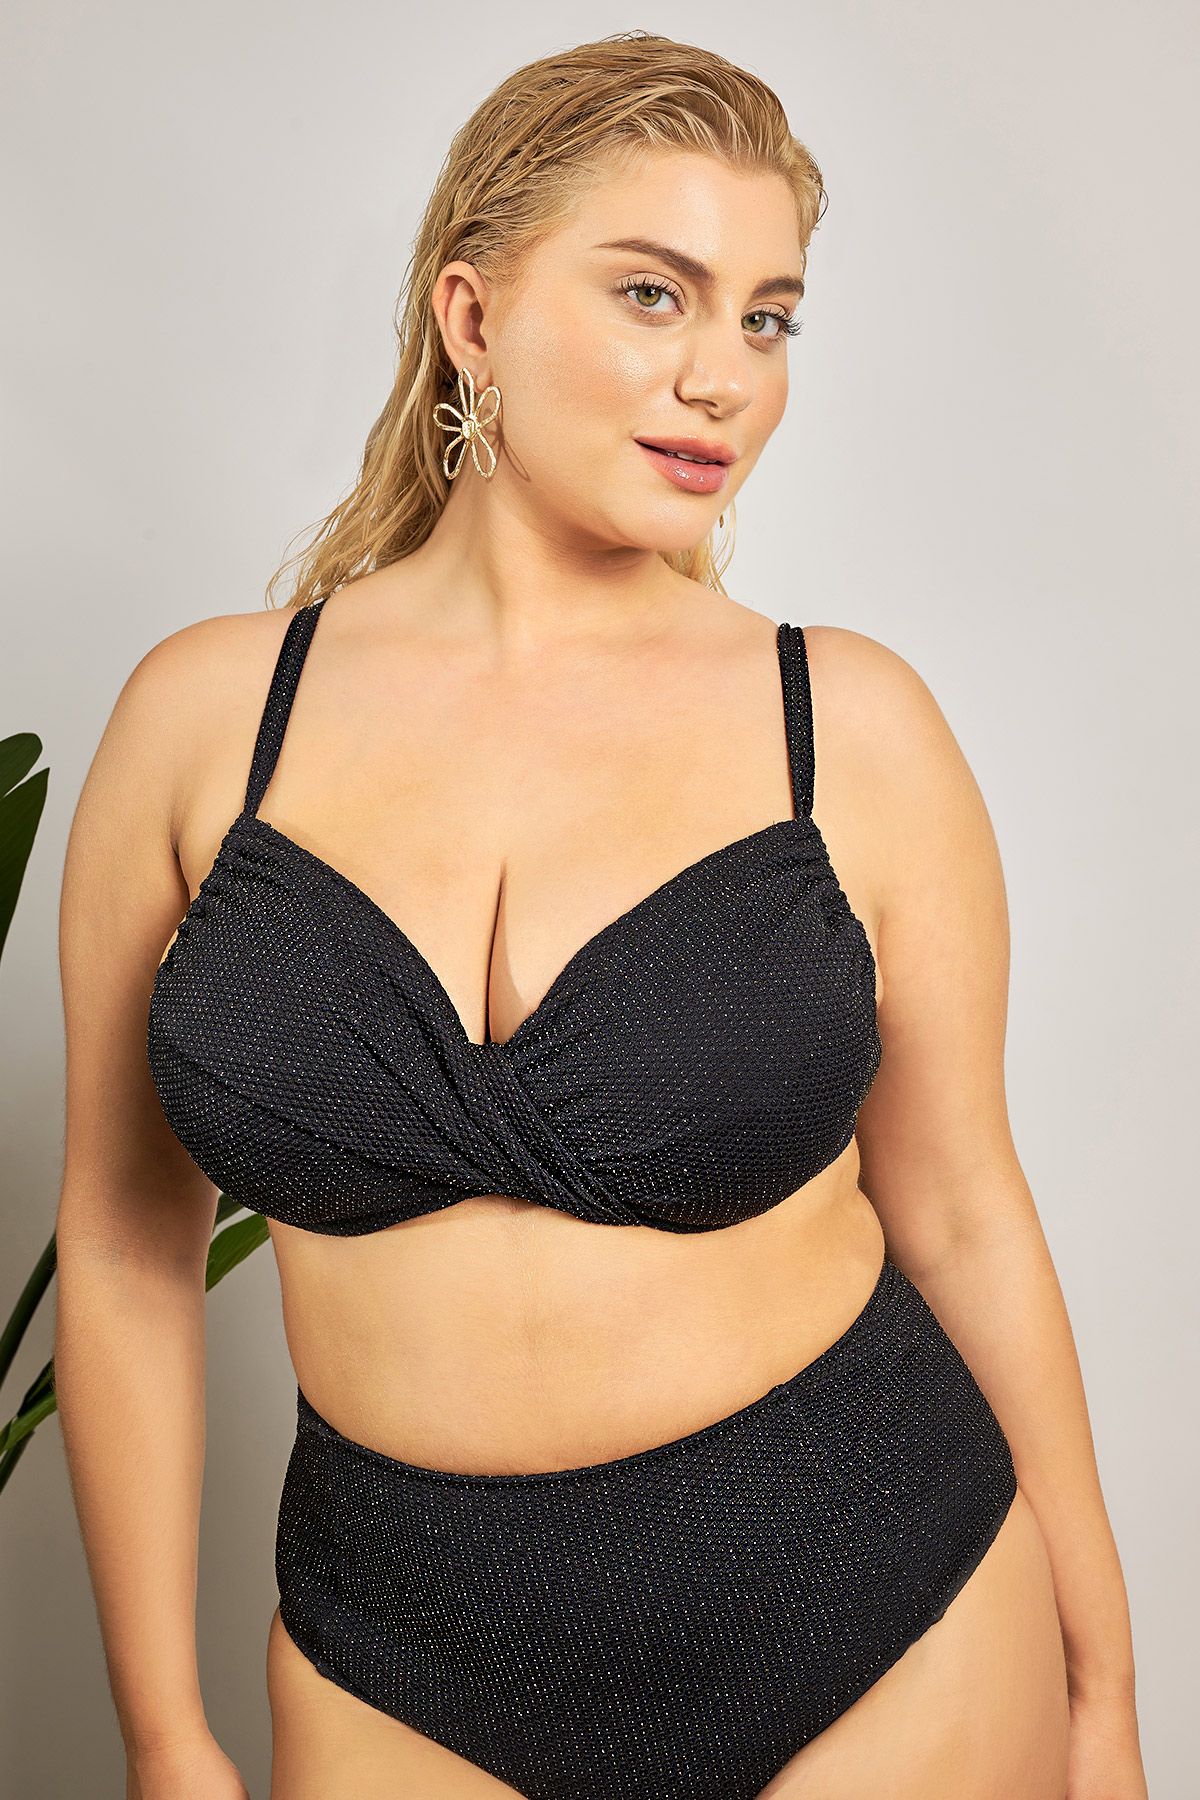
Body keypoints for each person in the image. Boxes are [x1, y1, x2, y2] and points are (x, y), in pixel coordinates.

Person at [54, 30, 1146, 1800]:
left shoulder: (845, 727)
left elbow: (961, 1210)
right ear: (471, 316)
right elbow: (119, 1242)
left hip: (883, 1615)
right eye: (655, 294)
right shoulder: (205, 720)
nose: (724, 378)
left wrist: (1104, 1687)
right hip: (400, 1661)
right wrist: (165, 1737)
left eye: (769, 320)